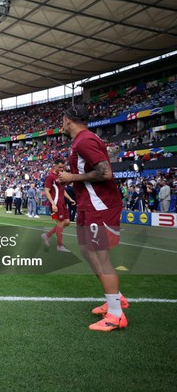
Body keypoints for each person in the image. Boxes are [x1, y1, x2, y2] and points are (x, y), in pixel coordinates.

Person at [59, 105, 127, 332]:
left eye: (62, 120)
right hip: (88, 204)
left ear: (68, 120)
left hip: (100, 205)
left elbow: (106, 172)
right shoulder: (80, 141)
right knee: (87, 250)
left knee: (101, 255)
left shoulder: (85, 140)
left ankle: (116, 314)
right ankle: (115, 298)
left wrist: (72, 177)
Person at [41, 159, 75, 253]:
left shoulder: (61, 176)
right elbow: (46, 191)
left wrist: (69, 198)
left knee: (67, 222)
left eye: (62, 167)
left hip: (62, 203)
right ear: (54, 165)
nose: (61, 169)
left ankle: (47, 235)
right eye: (59, 167)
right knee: (60, 223)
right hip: (56, 203)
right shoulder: (50, 177)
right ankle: (60, 246)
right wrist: (53, 204)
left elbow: (62, 190)